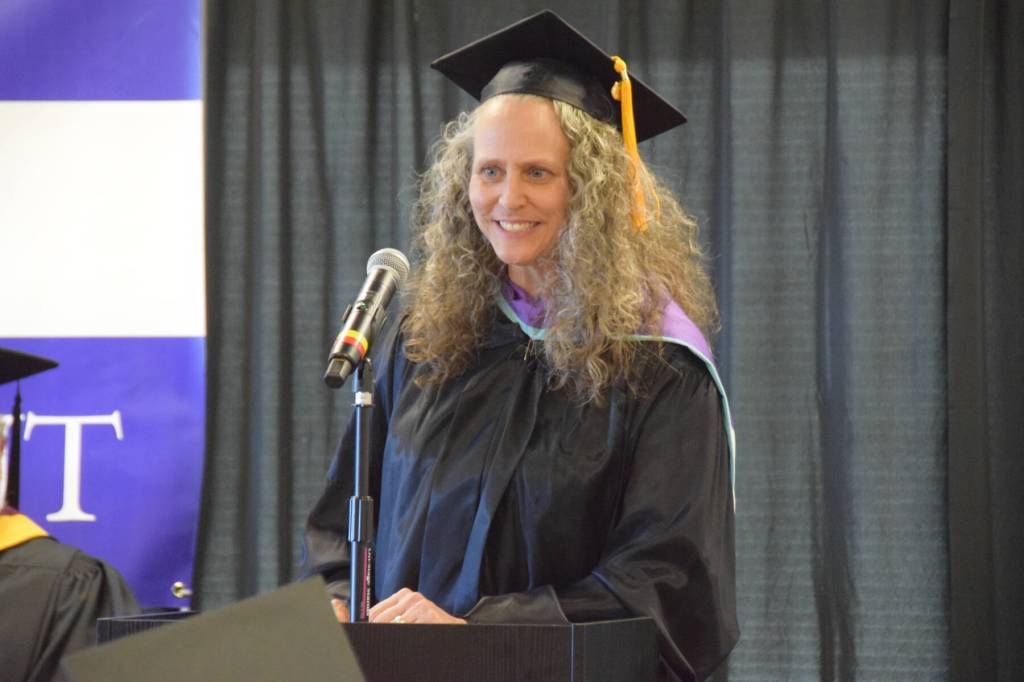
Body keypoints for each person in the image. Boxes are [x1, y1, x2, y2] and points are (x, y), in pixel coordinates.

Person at [303, 11, 738, 681]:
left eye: (538, 173)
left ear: (591, 190)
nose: (508, 198)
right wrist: (336, 597)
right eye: (490, 171)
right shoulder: (427, 339)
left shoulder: (659, 366)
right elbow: (345, 520)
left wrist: (478, 634)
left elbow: (663, 581)